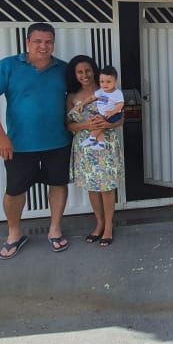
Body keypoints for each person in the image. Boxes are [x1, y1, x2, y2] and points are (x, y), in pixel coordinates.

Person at [0, 23, 72, 259]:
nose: (44, 46)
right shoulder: (7, 66)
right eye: (38, 41)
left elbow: (79, 97)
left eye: (49, 41)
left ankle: (54, 230)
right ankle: (14, 234)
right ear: (27, 42)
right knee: (14, 191)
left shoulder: (63, 69)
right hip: (18, 145)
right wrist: (1, 136)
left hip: (58, 141)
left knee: (58, 184)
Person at [65, 55, 125, 248]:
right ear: (75, 75)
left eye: (88, 70)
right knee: (93, 187)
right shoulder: (72, 97)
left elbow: (121, 119)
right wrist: (85, 125)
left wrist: (107, 123)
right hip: (85, 146)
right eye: (80, 72)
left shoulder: (107, 90)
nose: (85, 75)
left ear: (95, 71)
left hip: (106, 143)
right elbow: (68, 125)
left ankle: (108, 226)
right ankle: (99, 223)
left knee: (107, 187)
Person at [80, 65, 125, 150]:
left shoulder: (117, 93)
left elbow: (120, 104)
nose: (105, 84)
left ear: (115, 81)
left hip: (113, 115)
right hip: (104, 114)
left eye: (108, 82)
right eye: (102, 81)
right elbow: (91, 98)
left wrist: (112, 112)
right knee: (96, 122)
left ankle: (92, 138)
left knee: (98, 123)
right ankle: (101, 143)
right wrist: (82, 104)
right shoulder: (101, 91)